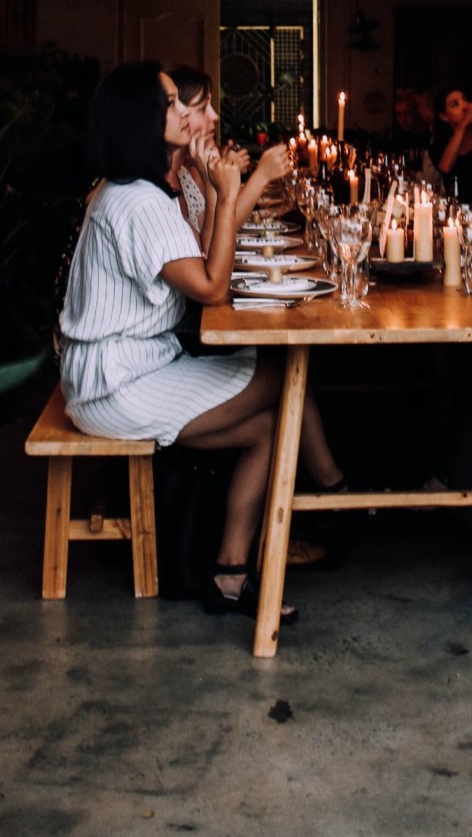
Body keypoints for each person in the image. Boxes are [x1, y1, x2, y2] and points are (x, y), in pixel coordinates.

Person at [57, 63, 345, 619]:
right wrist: (232, 186)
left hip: (125, 368)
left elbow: (200, 256)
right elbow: (213, 288)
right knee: (288, 372)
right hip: (116, 385)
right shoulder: (137, 202)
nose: (188, 114)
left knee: (267, 426)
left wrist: (217, 194)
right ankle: (338, 497)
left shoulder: (139, 192)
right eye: (173, 104)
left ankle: (229, 575)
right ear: (142, 118)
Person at [168, 63, 292, 245]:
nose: (215, 116)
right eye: (203, 108)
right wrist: (261, 176)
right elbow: (222, 234)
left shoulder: (184, 174)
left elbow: (210, 243)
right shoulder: (164, 184)